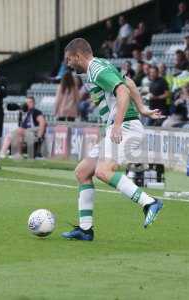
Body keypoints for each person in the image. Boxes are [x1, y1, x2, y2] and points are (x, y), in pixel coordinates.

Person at [61, 38, 164, 241]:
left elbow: (123, 90)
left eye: (69, 59)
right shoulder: (101, 66)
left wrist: (117, 124)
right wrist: (142, 108)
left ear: (77, 56)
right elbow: (129, 82)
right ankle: (85, 230)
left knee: (103, 171)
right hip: (120, 126)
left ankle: (149, 202)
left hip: (125, 127)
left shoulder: (97, 69)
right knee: (83, 172)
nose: (68, 64)